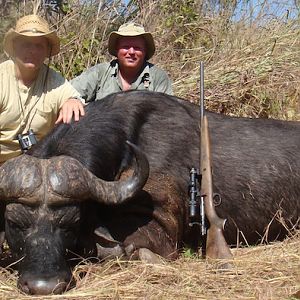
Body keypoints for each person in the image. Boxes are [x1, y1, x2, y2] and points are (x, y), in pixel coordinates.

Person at [0, 14, 85, 163]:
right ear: (14, 46)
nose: (32, 50)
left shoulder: (55, 81)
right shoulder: (2, 77)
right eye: (26, 44)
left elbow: (76, 101)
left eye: (39, 45)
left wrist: (72, 100)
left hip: (39, 166)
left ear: (47, 51)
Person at [71, 22, 172, 102]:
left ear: (144, 51)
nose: (131, 52)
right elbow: (70, 92)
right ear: (117, 50)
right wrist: (72, 101)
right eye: (126, 47)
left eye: (137, 48)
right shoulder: (99, 72)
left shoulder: (158, 77)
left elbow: (166, 113)